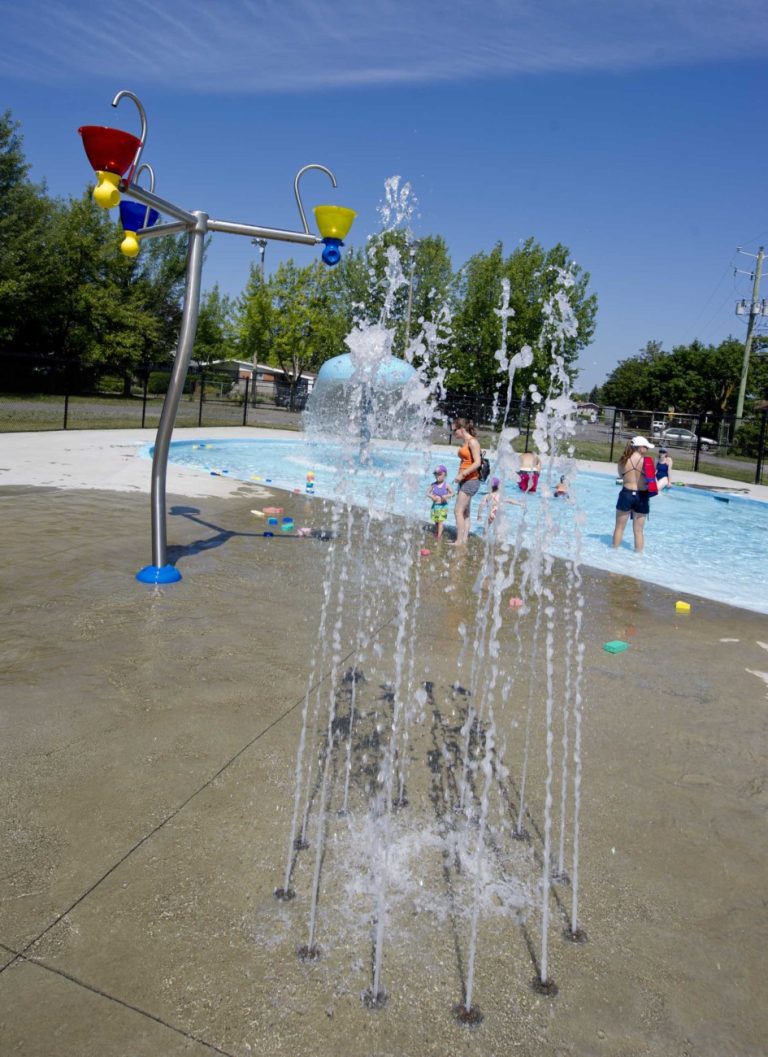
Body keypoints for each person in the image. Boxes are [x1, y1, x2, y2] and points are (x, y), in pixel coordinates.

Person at [612, 435, 654, 552]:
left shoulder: (623, 460)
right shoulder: (648, 462)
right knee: (639, 531)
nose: (647, 450)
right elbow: (652, 482)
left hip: (626, 494)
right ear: (640, 447)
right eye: (646, 447)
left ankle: (613, 554)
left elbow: (621, 476)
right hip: (642, 496)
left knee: (619, 528)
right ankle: (638, 558)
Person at [451, 418, 482, 544]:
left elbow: (477, 462)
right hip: (465, 480)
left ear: (462, 429)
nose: (453, 434)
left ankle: (458, 541)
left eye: (454, 430)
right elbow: (465, 461)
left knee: (457, 511)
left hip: (471, 480)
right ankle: (463, 540)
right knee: (465, 512)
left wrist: (462, 474)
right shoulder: (465, 443)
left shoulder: (472, 442)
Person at [427, 465, 453, 541]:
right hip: (435, 506)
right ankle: (437, 530)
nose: (437, 476)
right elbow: (427, 493)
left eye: (439, 474)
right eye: (436, 474)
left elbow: (452, 494)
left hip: (443, 506)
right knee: (436, 521)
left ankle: (439, 535)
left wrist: (446, 496)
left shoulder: (446, 485)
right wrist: (431, 496)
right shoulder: (433, 485)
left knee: (440, 521)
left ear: (445, 475)